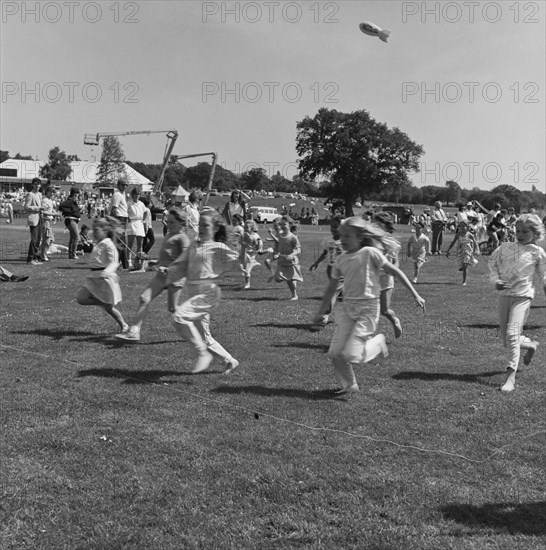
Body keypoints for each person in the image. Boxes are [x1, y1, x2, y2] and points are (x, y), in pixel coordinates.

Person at [313, 217, 425, 395]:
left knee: (351, 354)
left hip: (368, 310)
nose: (342, 239)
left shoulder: (369, 253)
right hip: (347, 310)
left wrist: (416, 294)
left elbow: (395, 271)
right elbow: (331, 288)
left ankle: (378, 344)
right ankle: (350, 386)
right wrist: (321, 311)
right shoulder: (340, 259)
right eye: (341, 235)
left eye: (347, 236)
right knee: (335, 354)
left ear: (359, 237)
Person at [166, 210, 240, 374]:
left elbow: (237, 262)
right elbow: (180, 264)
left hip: (208, 293)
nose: (200, 228)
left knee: (179, 317)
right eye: (199, 224)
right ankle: (230, 361)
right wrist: (165, 269)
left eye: (205, 225)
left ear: (215, 229)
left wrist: (246, 254)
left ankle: (202, 354)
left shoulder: (218, 247)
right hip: (194, 292)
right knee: (204, 336)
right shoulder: (194, 245)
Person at [488, 214, 546, 392]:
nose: (520, 234)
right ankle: (530, 345)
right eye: (517, 231)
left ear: (535, 233)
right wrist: (495, 281)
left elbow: (544, 276)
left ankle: (510, 378)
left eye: (525, 232)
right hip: (504, 296)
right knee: (507, 340)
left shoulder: (538, 253)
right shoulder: (504, 247)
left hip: (523, 298)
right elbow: (492, 265)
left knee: (512, 335)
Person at [117, 207, 191, 342]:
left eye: (172, 222)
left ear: (181, 223)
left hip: (175, 276)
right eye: (168, 222)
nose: (168, 225)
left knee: (173, 308)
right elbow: (169, 254)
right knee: (144, 298)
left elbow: (185, 258)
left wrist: (170, 268)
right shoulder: (169, 234)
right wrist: (157, 261)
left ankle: (194, 331)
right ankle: (135, 331)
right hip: (162, 275)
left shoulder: (183, 238)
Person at [76, 217, 128, 335]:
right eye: (93, 230)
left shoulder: (109, 244)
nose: (94, 232)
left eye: (96, 230)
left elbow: (115, 262)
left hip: (104, 279)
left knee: (109, 309)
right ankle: (102, 302)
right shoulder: (98, 243)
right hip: (93, 277)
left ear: (105, 230)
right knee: (81, 299)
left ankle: (124, 325)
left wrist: (107, 271)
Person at [309, 214, 344, 325]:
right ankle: (325, 315)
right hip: (332, 269)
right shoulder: (328, 240)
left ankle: (326, 314)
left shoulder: (347, 240)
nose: (333, 229)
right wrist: (316, 263)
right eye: (332, 226)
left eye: (336, 226)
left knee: (340, 292)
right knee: (335, 290)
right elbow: (325, 254)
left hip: (346, 269)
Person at [373, 212, 403, 338]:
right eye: (374, 223)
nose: (375, 225)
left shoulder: (391, 242)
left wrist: (389, 270)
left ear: (385, 225)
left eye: (378, 223)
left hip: (385, 278)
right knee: (370, 308)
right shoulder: (370, 239)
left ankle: (395, 320)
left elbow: (396, 263)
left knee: (384, 310)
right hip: (371, 278)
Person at [273, 216, 303, 300]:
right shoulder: (279, 235)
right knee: (277, 279)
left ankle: (294, 295)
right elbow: (277, 246)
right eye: (281, 224)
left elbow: (298, 249)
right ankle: (292, 280)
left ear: (289, 225)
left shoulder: (293, 237)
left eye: (284, 224)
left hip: (291, 261)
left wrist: (292, 255)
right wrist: (276, 253)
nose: (282, 226)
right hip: (282, 261)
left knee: (289, 280)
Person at [445, 220, 479, 286]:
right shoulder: (458, 235)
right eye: (461, 226)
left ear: (467, 227)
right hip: (460, 252)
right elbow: (453, 242)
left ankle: (464, 281)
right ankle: (465, 266)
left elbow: (475, 242)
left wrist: (477, 250)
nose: (462, 228)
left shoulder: (470, 235)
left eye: (464, 226)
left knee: (465, 265)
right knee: (463, 265)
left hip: (468, 251)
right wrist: (448, 250)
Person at [109, 180, 129, 269]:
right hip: (119, 219)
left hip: (123, 218)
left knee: (122, 242)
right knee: (120, 242)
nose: (125, 186)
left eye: (126, 185)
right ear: (118, 185)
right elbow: (114, 209)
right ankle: (120, 263)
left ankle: (124, 264)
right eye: (123, 185)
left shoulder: (122, 194)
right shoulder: (117, 195)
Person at [239, 219, 263, 289]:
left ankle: (247, 284)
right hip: (244, 252)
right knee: (242, 265)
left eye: (247, 227)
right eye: (244, 227)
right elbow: (240, 242)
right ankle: (253, 263)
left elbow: (258, 246)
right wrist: (244, 243)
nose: (245, 229)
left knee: (247, 269)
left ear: (252, 228)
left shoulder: (255, 236)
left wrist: (255, 242)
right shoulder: (243, 234)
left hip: (251, 254)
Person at [126, 188, 146, 269]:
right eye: (135, 194)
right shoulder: (129, 203)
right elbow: (125, 212)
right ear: (132, 195)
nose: (137, 196)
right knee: (130, 244)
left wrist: (144, 221)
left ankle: (137, 260)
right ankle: (129, 261)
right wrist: (128, 218)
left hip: (140, 223)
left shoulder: (141, 204)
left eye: (138, 194)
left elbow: (146, 211)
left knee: (140, 244)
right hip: (132, 223)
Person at [60, 187, 82, 260]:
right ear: (74, 194)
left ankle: (71, 254)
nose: (78, 196)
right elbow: (61, 206)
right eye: (77, 194)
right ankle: (73, 254)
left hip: (73, 221)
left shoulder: (73, 201)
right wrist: (69, 212)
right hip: (71, 220)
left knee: (73, 238)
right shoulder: (70, 201)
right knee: (76, 237)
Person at [24, 178, 43, 264]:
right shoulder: (30, 194)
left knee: (38, 239)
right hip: (33, 219)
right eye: (35, 184)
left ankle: (35, 258)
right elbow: (26, 207)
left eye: (39, 184)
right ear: (32, 185)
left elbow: (40, 206)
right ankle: (30, 258)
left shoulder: (39, 194)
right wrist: (39, 208)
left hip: (40, 218)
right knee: (34, 239)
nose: (37, 186)